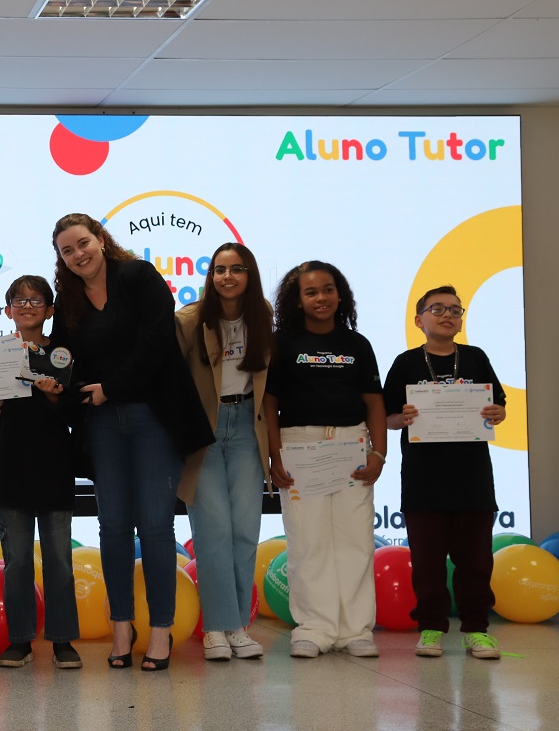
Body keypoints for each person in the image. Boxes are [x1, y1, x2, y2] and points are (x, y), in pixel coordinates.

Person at [49, 214, 212, 672]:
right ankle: (121, 627)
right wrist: (59, 385)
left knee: (156, 527)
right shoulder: (68, 300)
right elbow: (64, 360)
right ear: (61, 259)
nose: (78, 254)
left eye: (83, 243)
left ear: (101, 240)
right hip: (101, 422)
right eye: (67, 250)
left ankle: (160, 631)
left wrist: (111, 388)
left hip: (153, 416)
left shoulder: (138, 276)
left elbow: (157, 342)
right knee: (114, 527)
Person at [264, 260, 386, 659]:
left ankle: (355, 630)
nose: (321, 298)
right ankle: (313, 628)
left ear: (340, 295)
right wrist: (274, 456)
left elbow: (374, 403)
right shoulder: (282, 344)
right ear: (297, 300)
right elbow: (269, 404)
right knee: (307, 541)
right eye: (311, 292)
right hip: (300, 447)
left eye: (328, 289)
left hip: (351, 445)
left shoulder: (357, 345)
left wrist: (379, 453)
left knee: (355, 540)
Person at [0, 275, 81, 670]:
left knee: (60, 559)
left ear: (50, 309)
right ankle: (20, 640)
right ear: (7, 308)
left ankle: (62, 640)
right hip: (11, 465)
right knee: (16, 562)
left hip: (55, 464)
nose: (27, 306)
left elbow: (77, 411)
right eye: (20, 300)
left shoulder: (63, 353)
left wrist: (53, 397)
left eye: (36, 300)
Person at [383, 286, 507, 659]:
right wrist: (402, 418)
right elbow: (387, 418)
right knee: (427, 562)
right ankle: (431, 628)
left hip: (472, 479)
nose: (447, 315)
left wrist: (497, 413)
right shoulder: (406, 363)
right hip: (424, 480)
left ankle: (476, 630)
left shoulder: (476, 357)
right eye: (437, 309)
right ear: (419, 320)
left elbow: (498, 406)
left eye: (455, 309)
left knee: (476, 561)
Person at [176, 243, 272, 661]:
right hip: (206, 429)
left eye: (236, 269)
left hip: (248, 425)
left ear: (250, 275)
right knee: (212, 531)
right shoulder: (190, 320)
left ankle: (239, 627)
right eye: (219, 269)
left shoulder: (262, 315)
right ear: (210, 276)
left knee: (245, 531)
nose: (227, 277)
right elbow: (171, 380)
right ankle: (217, 627)